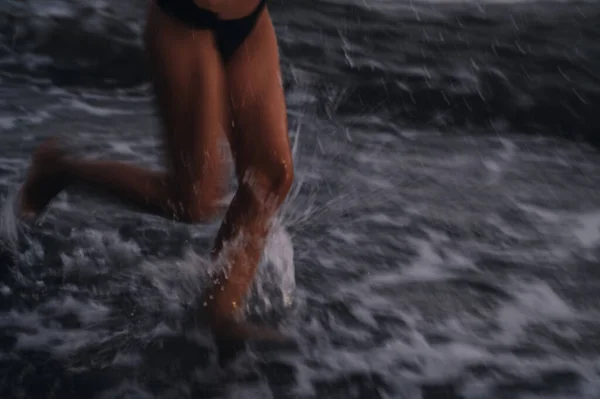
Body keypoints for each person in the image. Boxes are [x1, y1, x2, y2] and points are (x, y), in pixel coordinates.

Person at [17, 0, 294, 356]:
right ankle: (59, 170)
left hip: (250, 22)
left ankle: (218, 317)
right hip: (187, 23)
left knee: (270, 177)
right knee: (193, 201)